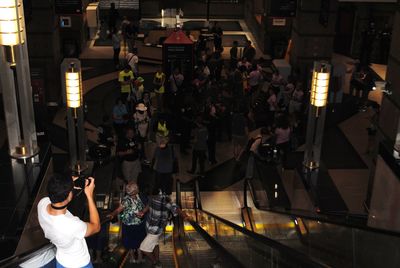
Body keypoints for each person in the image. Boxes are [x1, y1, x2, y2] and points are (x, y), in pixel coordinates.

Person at [37, 173, 100, 268]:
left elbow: (55, 193)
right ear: (68, 197)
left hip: (61, 261)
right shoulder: (72, 225)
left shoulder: (42, 204)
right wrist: (90, 195)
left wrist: (66, 184)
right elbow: (96, 226)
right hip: (80, 264)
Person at [139, 192, 187, 268]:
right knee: (155, 244)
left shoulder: (165, 199)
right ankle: (157, 260)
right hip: (149, 226)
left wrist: (185, 216)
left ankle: (155, 262)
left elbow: (175, 208)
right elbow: (149, 204)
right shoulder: (152, 195)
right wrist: (143, 212)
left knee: (143, 248)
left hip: (156, 228)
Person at [107, 182, 148, 263]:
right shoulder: (126, 200)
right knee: (130, 241)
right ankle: (132, 257)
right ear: (134, 191)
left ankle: (139, 257)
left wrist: (142, 212)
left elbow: (146, 205)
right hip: (129, 224)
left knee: (140, 240)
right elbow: (119, 209)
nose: (138, 189)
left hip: (139, 223)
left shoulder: (138, 197)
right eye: (136, 188)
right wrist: (112, 214)